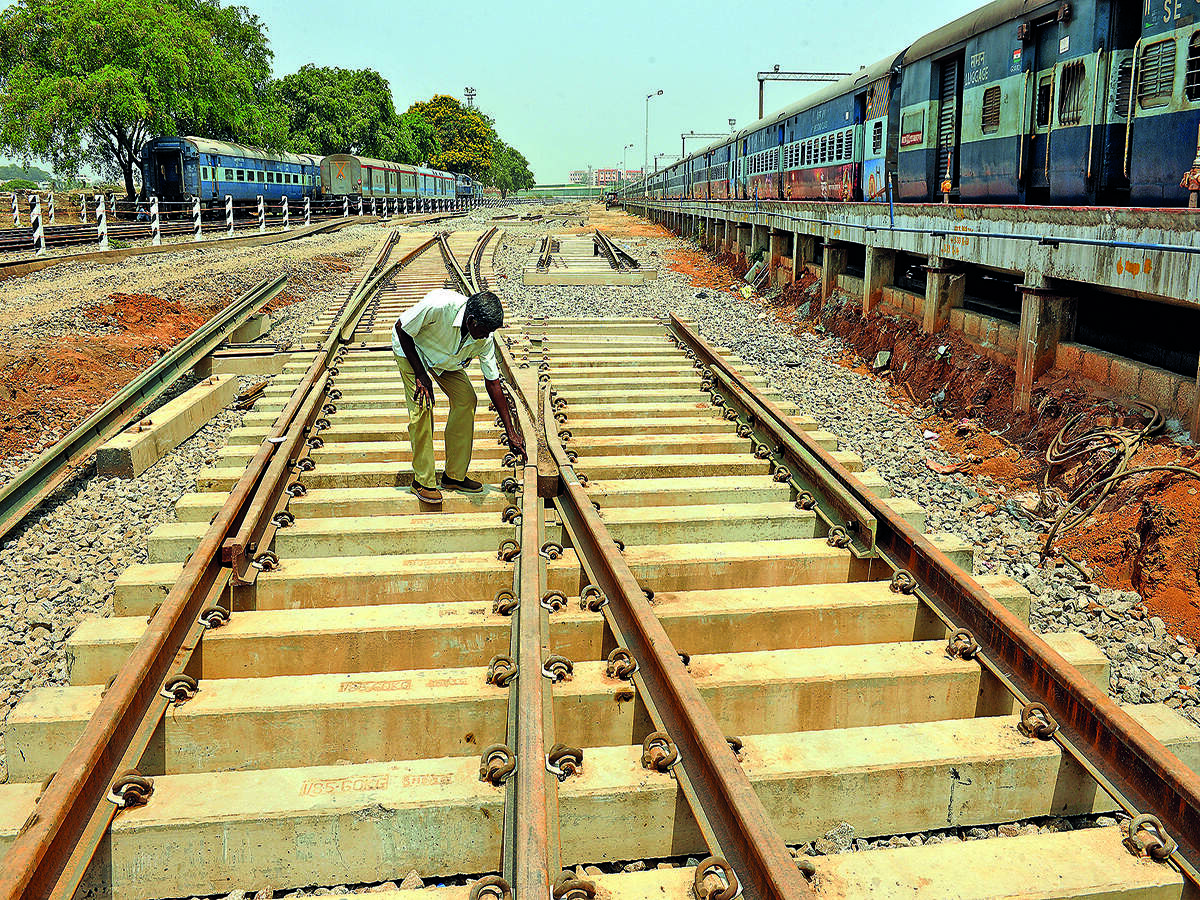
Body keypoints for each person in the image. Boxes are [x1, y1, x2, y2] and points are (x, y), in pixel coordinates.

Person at [393, 288, 525, 505]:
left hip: (445, 360)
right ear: (471, 321)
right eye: (484, 330)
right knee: (423, 406)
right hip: (412, 351)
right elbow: (402, 328)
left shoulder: (484, 338)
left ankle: (453, 476)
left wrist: (511, 433)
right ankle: (422, 481)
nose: (486, 336)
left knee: (466, 399)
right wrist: (420, 374)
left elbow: (493, 383)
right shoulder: (439, 306)